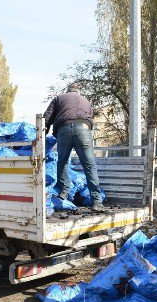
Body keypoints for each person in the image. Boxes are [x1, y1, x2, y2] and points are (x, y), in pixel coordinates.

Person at [43, 83, 104, 211]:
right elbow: (90, 117)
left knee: (63, 162)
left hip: (64, 129)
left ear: (68, 91)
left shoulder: (58, 98)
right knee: (89, 164)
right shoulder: (85, 100)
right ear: (78, 92)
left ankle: (63, 194)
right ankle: (97, 202)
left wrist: (43, 133)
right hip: (83, 129)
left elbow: (47, 116)